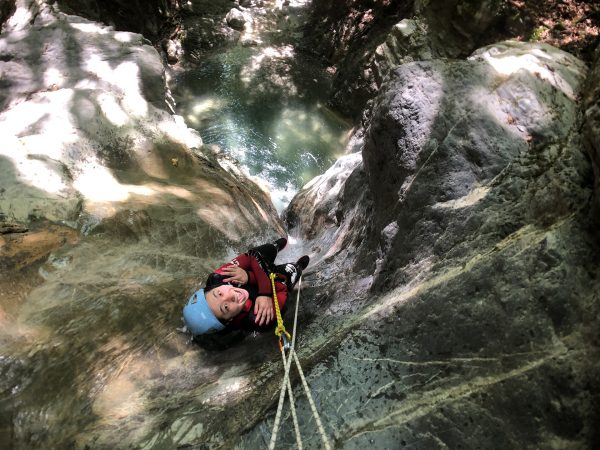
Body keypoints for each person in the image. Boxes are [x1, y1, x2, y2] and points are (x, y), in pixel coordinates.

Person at [182, 238, 309, 336]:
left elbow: (252, 256)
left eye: (219, 293)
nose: (230, 296)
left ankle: (275, 246)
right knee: (290, 271)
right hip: (274, 284)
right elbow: (282, 288)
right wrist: (263, 289)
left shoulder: (218, 278)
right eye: (225, 307)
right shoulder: (260, 318)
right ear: (229, 320)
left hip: (256, 275)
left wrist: (253, 280)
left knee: (266, 250)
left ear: (213, 288)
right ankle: (298, 266)